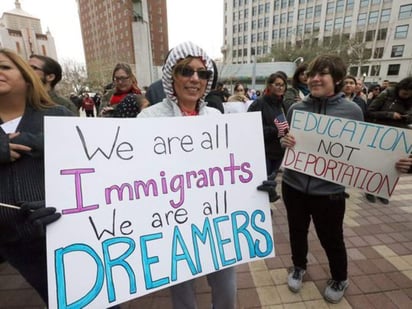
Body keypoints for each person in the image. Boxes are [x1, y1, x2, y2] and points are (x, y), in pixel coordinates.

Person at [137, 41, 236, 309]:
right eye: (186, 71)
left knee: (227, 287)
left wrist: (254, 186)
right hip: (172, 222)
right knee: (181, 293)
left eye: (202, 73)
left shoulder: (216, 116)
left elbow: (233, 165)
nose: (195, 78)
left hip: (216, 219)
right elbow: (136, 174)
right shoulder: (148, 120)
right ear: (171, 75)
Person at [280, 54, 364, 304]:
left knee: (331, 237)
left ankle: (340, 277)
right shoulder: (296, 108)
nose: (315, 79)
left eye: (322, 74)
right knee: (297, 231)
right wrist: (285, 141)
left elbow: (362, 151)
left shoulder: (352, 111)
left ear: (336, 79)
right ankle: (298, 266)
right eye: (312, 74)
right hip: (294, 186)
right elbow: (286, 140)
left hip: (329, 191)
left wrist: (392, 164)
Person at [0, 48, 73, 306]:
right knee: (56, 300)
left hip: (66, 231)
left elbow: (86, 170)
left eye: (5, 67)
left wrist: (65, 204)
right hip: (16, 242)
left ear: (26, 74)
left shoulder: (58, 115)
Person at [365, 76, 412, 204]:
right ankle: (369, 189)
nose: (406, 95)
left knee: (393, 165)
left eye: (409, 94)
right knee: (376, 163)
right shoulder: (386, 94)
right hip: (382, 135)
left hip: (400, 138)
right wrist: (389, 115)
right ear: (399, 88)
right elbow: (370, 112)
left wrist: (407, 118)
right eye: (404, 92)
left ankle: (383, 191)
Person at [247, 72, 288, 179]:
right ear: (269, 85)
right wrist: (274, 130)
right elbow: (249, 128)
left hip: (279, 152)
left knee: (271, 183)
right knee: (262, 181)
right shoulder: (259, 103)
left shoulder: (283, 105)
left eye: (283, 85)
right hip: (264, 153)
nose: (280, 87)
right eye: (277, 84)